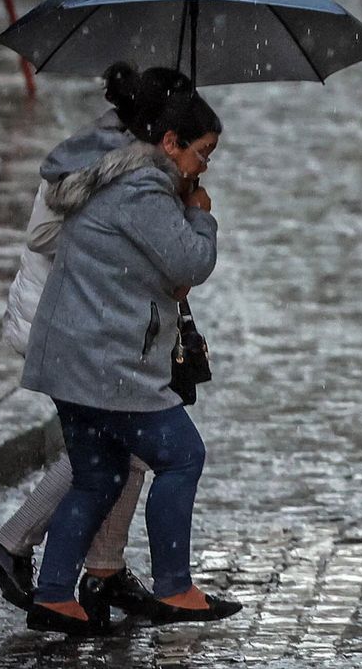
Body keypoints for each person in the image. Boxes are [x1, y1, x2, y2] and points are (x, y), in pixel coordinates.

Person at [18, 63, 239, 635]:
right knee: (181, 455)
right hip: (106, 364)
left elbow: (143, 267)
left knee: (98, 475)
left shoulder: (114, 177)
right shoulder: (143, 188)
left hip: (72, 358)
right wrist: (201, 214)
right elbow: (191, 261)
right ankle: (174, 586)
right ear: (169, 142)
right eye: (201, 152)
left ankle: (54, 595)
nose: (203, 165)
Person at [0, 109, 155, 625]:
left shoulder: (111, 160)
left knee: (121, 450)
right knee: (111, 450)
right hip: (64, 327)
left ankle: (97, 570)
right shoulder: (101, 165)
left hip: (73, 325)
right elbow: (45, 236)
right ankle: (22, 550)